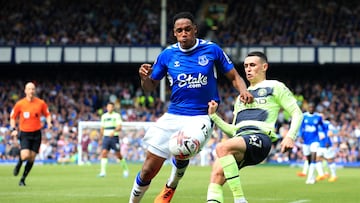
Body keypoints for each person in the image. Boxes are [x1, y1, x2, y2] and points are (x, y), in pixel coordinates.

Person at [128, 11, 253, 203]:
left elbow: (234, 76)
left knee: (184, 145)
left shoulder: (211, 50)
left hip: (201, 116)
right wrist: (144, 78)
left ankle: (171, 185)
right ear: (174, 33)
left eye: (188, 29)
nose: (184, 33)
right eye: (180, 30)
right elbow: (149, 88)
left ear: (195, 29)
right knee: (147, 170)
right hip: (174, 115)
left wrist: (243, 91)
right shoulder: (167, 55)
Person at [206, 51, 303, 203]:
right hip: (242, 139)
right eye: (245, 66)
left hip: (260, 138)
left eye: (252, 65)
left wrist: (290, 136)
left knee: (221, 148)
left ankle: (239, 200)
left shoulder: (274, 86)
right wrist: (213, 116)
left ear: (264, 67)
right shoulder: (240, 97)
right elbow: (233, 130)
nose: (248, 69)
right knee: (216, 176)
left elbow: (297, 113)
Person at [10, 82, 53, 186]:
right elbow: (12, 117)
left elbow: (47, 114)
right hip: (24, 132)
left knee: (32, 157)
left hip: (36, 133)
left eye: (33, 89)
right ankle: (19, 163)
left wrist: (49, 122)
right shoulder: (20, 104)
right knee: (25, 155)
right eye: (29, 89)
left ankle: (23, 179)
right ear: (25, 91)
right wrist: (13, 128)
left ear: (35, 90)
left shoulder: (41, 103)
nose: (31, 91)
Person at [98, 102, 129, 178]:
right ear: (106, 107)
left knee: (118, 155)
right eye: (108, 107)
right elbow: (102, 128)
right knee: (104, 153)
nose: (109, 108)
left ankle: (125, 169)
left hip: (114, 137)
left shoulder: (116, 116)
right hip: (106, 137)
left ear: (113, 108)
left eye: (111, 107)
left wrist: (114, 131)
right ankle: (103, 172)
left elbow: (119, 127)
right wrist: (100, 138)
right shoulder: (104, 116)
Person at [296, 103, 325, 184]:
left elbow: (322, 126)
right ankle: (313, 177)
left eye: (312, 107)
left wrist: (323, 133)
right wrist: (300, 136)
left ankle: (309, 179)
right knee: (309, 160)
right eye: (310, 107)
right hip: (306, 141)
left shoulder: (318, 117)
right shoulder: (303, 116)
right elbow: (301, 127)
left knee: (313, 158)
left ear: (314, 108)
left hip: (315, 140)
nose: (311, 108)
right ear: (307, 108)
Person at [315, 115, 337, 182]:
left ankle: (334, 176)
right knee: (317, 159)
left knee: (330, 160)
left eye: (321, 117)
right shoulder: (317, 124)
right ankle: (321, 174)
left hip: (327, 145)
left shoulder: (327, 123)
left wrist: (329, 137)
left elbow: (333, 131)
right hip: (320, 145)